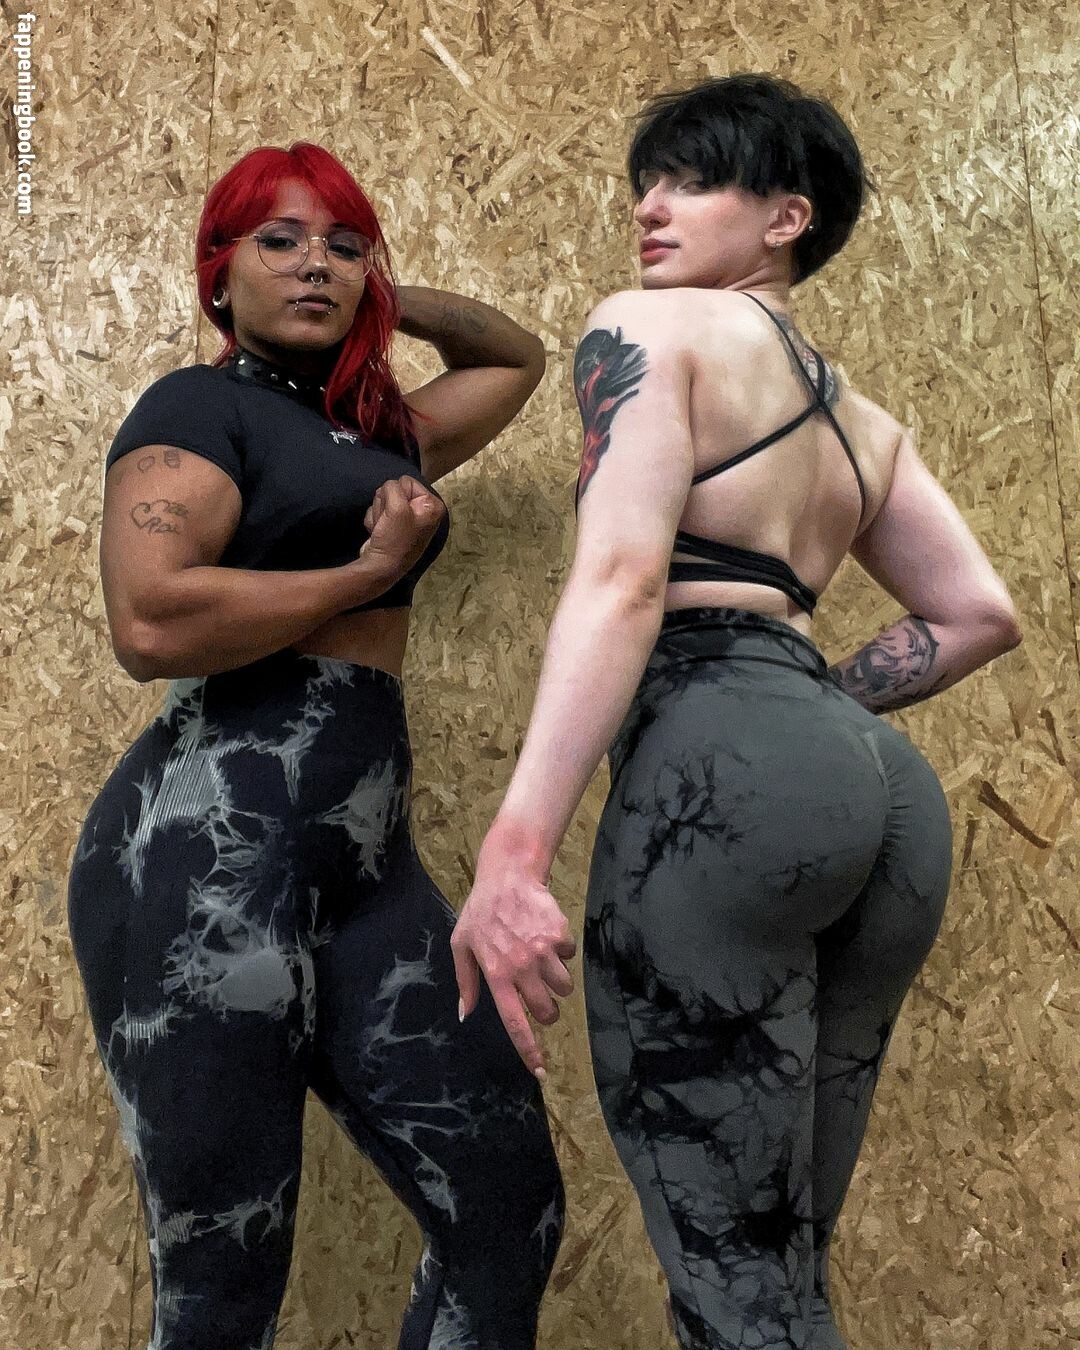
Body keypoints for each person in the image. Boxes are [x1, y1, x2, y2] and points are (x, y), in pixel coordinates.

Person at [450, 74, 1022, 1348]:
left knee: (731, 1285)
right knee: (787, 1275)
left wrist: (515, 854)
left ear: (787, 217)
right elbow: (981, 614)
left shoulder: (650, 328)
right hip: (881, 795)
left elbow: (622, 579)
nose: (650, 208)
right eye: (646, 182)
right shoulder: (865, 424)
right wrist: (818, 709)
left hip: (725, 774)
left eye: (695, 180)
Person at [66, 141, 564, 1350]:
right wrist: (367, 571)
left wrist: (382, 292)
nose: (314, 265)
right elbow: (150, 620)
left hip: (363, 866)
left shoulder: (376, 433)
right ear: (217, 271)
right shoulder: (197, 410)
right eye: (278, 241)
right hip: (209, 858)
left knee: (508, 1219)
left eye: (342, 245)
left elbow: (514, 359)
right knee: (221, 1288)